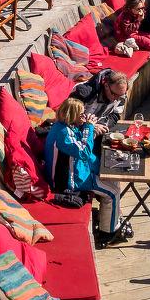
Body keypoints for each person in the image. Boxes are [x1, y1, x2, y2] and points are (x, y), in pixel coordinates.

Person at [42, 99, 127, 248]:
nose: (84, 116)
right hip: (68, 180)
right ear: (72, 115)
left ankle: (107, 220)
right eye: (81, 114)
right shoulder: (62, 133)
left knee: (114, 180)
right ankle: (108, 233)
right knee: (112, 193)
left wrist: (90, 128)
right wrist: (88, 127)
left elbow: (80, 142)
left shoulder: (66, 126)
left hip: (76, 169)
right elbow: (83, 151)